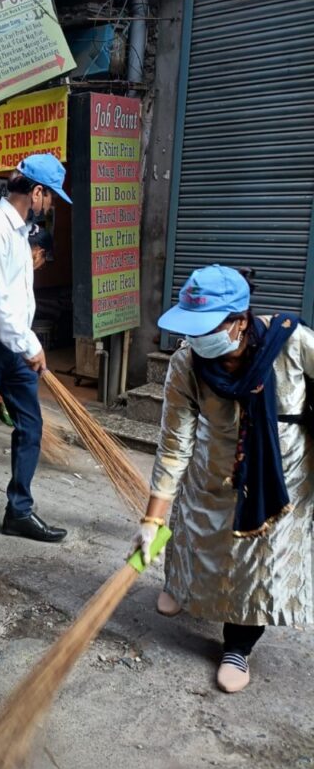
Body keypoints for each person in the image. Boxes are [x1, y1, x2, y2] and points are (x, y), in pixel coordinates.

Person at [130, 264, 314, 694]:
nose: (196, 339)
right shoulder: (186, 363)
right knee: (197, 539)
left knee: (256, 564)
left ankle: (238, 646)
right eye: (190, 328)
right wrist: (152, 519)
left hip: (279, 475)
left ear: (240, 321)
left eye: (206, 328)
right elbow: (174, 443)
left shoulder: (292, 343)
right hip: (210, 468)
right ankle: (182, 589)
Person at [0, 154, 71, 544]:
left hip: (15, 346)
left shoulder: (23, 233)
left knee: (30, 426)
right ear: (36, 192)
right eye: (50, 196)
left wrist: (24, 342)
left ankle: (19, 510)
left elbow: (16, 297)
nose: (51, 205)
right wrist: (30, 345)